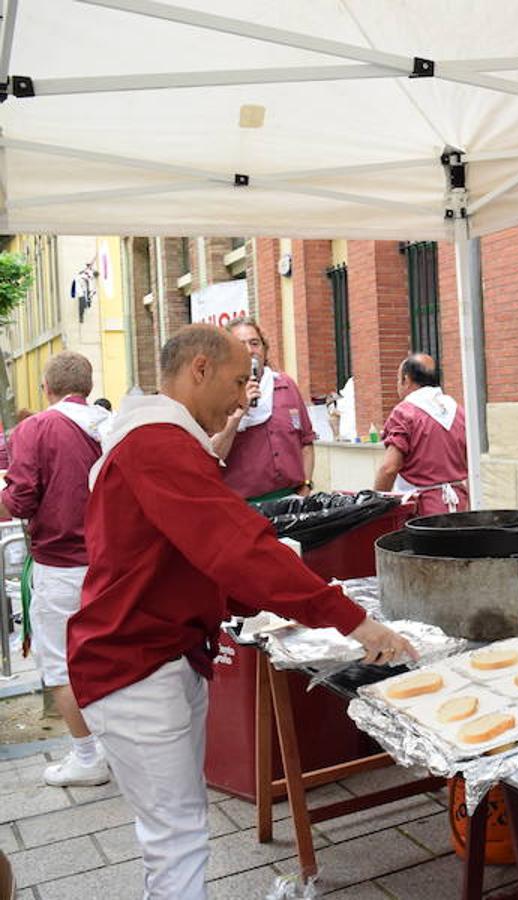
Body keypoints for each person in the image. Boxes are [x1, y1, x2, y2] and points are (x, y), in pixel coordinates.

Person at [67, 324, 416, 899]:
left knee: (176, 826)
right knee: (176, 833)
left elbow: (191, 558)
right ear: (198, 370)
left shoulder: (156, 438)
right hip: (135, 664)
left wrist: (269, 602)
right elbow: (236, 545)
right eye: (236, 381)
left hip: (159, 654)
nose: (242, 398)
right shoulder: (158, 443)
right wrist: (350, 616)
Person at [0, 351, 112, 786]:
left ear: (46, 388)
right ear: (86, 386)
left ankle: (87, 757)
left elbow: (22, 497)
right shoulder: (112, 424)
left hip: (61, 564)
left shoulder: (38, 427)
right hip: (111, 564)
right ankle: (116, 747)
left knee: (61, 667)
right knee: (109, 658)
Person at [210, 316, 315, 502]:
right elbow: (212, 457)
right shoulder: (215, 396)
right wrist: (238, 415)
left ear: (265, 350)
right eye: (241, 345)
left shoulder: (285, 385)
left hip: (292, 500)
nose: (250, 351)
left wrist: (306, 485)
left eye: (255, 343)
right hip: (244, 508)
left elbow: (306, 443)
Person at [374, 353, 468, 514]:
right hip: (458, 504)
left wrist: (375, 504)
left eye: (398, 380)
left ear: (407, 379)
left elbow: (389, 468)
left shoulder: (405, 412)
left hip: (420, 509)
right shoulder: (458, 411)